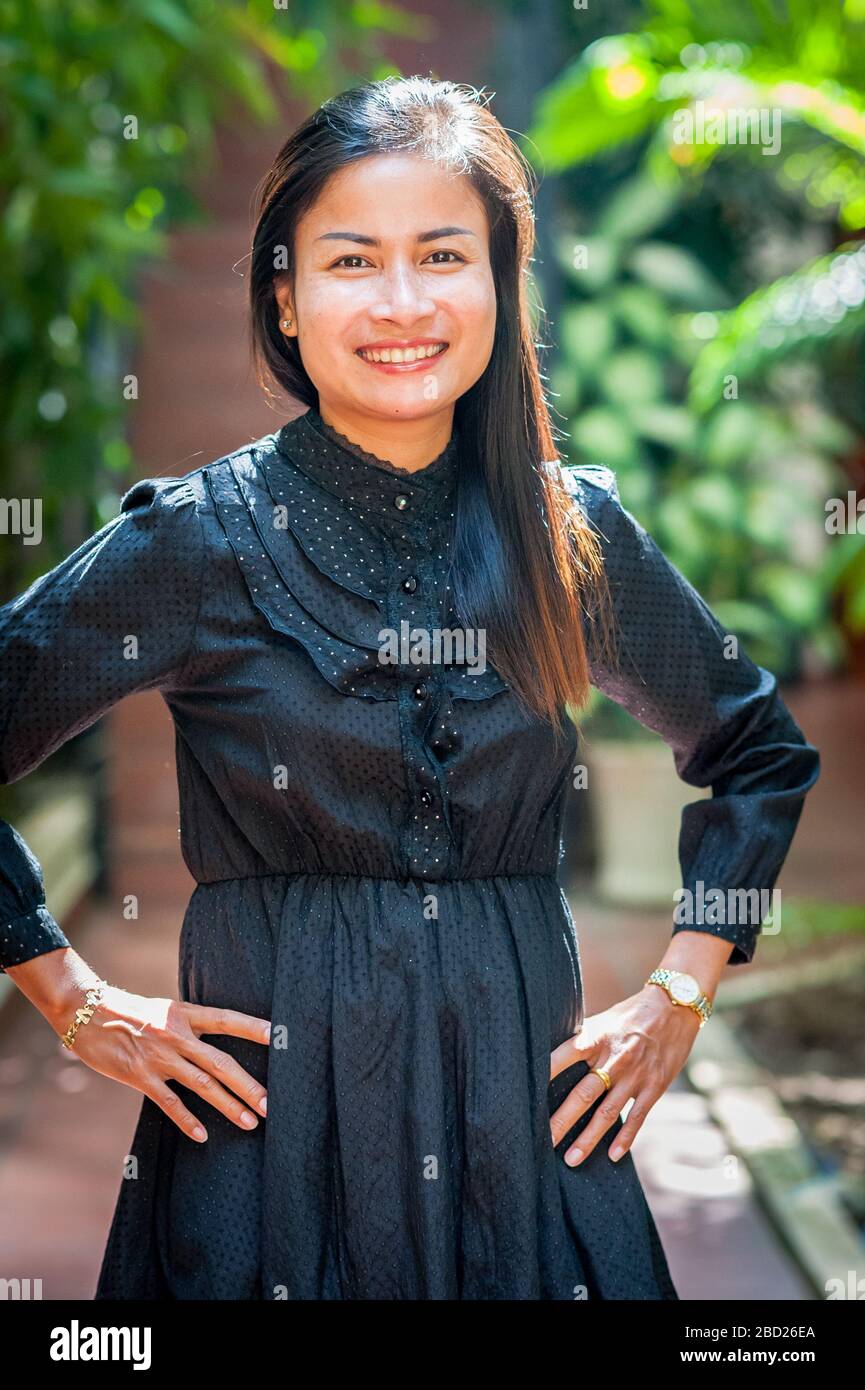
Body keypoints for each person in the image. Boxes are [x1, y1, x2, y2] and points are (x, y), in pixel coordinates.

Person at [0, 76, 819, 1300]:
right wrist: (71, 996)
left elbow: (754, 746)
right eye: (348, 260)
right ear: (285, 293)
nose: (400, 303)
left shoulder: (568, 533)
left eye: (443, 255)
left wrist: (679, 991)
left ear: (500, 281)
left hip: (524, 1135)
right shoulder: (199, 541)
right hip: (265, 1148)